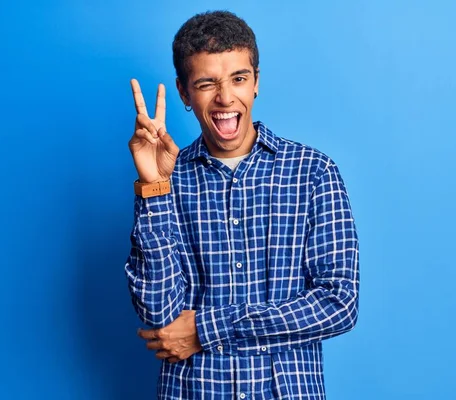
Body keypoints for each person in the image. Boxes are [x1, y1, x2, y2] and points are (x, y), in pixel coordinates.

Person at [125, 10, 359, 399]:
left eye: (239, 78)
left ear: (256, 83)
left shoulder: (313, 173)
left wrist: (207, 329)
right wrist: (154, 187)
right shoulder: (167, 181)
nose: (225, 97)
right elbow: (158, 315)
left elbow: (338, 303)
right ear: (184, 93)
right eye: (206, 83)